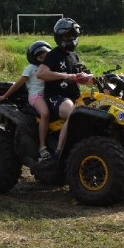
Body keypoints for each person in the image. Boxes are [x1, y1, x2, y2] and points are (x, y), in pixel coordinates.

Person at [37, 17, 94, 157]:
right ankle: (59, 153)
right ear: (58, 37)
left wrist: (98, 79)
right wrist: (65, 76)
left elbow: (86, 80)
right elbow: (41, 73)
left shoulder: (74, 56)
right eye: (66, 36)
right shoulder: (53, 55)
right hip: (56, 98)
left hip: (75, 97)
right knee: (75, 113)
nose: (70, 38)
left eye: (73, 35)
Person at [0, 40, 53, 161]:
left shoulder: (49, 68)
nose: (43, 57)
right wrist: (5, 95)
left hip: (49, 96)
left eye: (46, 54)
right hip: (36, 96)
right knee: (45, 113)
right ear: (33, 57)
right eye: (40, 55)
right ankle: (42, 147)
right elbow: (19, 83)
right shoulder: (31, 68)